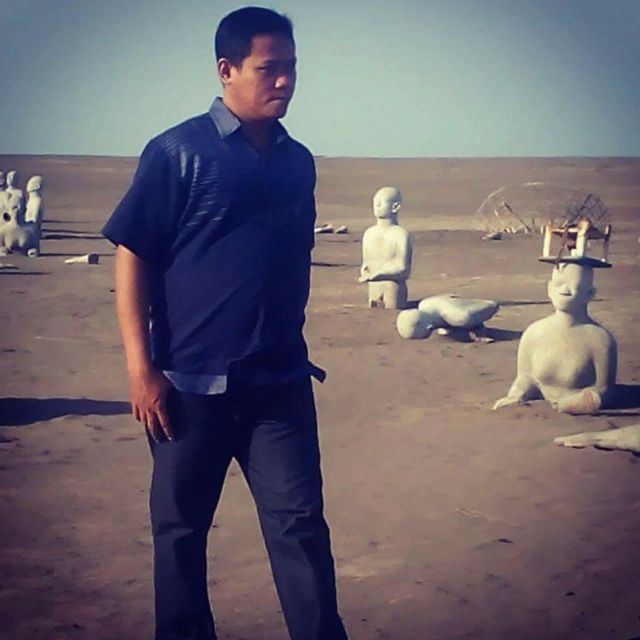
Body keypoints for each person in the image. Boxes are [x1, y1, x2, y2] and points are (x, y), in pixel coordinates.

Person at [102, 7, 349, 640]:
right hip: (188, 387)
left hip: (280, 383)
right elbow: (133, 254)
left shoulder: (298, 162)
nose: (284, 81)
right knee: (180, 531)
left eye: (291, 68)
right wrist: (141, 369)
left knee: (300, 526)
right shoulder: (177, 152)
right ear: (226, 69)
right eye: (269, 69)